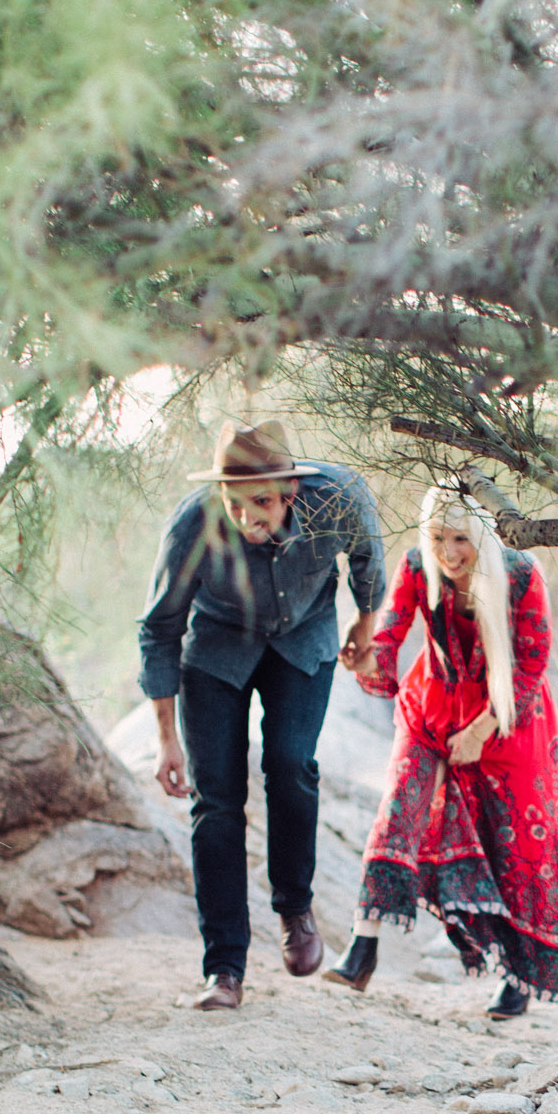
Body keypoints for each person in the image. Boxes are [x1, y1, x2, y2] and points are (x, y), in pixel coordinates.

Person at [139, 418, 386, 1011]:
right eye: (238, 503)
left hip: (303, 638)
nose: (251, 517)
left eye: (266, 504)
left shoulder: (338, 497)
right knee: (216, 799)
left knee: (291, 762)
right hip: (218, 652)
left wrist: (364, 626)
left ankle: (294, 907)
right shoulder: (194, 524)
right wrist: (165, 739)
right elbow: (159, 629)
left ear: (292, 491)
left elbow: (368, 558)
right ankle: (224, 969)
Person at [323, 483, 558, 1017]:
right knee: (399, 808)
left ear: (482, 535)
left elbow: (531, 666)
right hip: (433, 705)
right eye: (438, 537)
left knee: (513, 843)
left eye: (461, 538)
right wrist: (365, 658)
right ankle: (361, 945)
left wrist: (482, 730)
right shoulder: (417, 566)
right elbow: (388, 637)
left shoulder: (522, 574)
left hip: (508, 717)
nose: (450, 552)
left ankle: (518, 975)